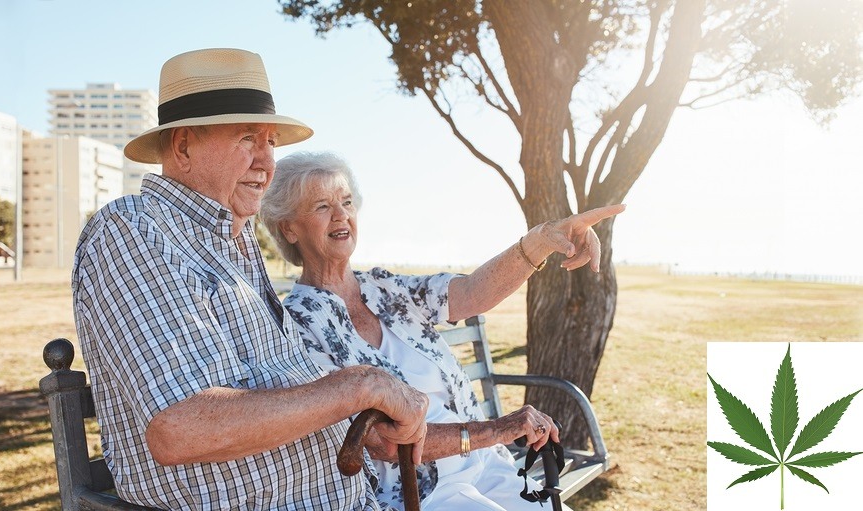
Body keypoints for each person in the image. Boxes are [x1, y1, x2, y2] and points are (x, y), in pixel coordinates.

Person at [71, 48, 429, 510]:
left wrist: (354, 414)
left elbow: (273, 386)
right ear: (182, 146)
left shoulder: (233, 242)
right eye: (247, 139)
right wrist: (358, 386)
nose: (267, 161)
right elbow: (180, 427)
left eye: (271, 142)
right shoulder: (135, 229)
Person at [261, 151, 625, 510]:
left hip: (486, 464)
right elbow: (381, 442)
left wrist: (544, 238)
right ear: (289, 227)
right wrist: (496, 430)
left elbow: (470, 293)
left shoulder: (384, 287)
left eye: (346, 202)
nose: (341, 215)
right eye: (322, 206)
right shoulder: (299, 325)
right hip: (421, 490)